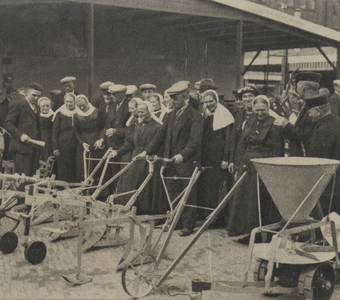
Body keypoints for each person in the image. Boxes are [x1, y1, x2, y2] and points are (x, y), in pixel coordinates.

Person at [142, 81, 203, 237]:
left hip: (186, 161)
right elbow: (160, 136)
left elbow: (194, 141)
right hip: (170, 160)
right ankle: (177, 221)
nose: (173, 101)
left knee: (187, 193)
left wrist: (183, 155)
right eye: (172, 98)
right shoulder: (170, 114)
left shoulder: (195, 115)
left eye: (176, 98)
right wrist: (146, 151)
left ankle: (188, 225)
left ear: (185, 96)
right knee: (173, 192)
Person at [227, 95, 284, 239]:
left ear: (268, 109)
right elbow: (242, 144)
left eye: (263, 110)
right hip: (247, 162)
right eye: (257, 110)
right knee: (244, 196)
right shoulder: (249, 121)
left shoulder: (274, 123)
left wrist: (274, 169)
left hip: (264, 162)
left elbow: (278, 148)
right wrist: (238, 163)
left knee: (258, 198)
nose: (259, 113)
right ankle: (245, 229)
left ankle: (259, 234)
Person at [113, 102, 164, 214]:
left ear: (149, 112)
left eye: (142, 112)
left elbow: (156, 144)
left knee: (148, 185)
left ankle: (149, 211)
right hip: (136, 158)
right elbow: (131, 143)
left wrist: (146, 153)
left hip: (148, 160)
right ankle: (137, 209)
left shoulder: (157, 127)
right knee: (135, 184)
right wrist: (117, 152)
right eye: (138, 112)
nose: (139, 115)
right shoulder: (139, 126)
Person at [197, 89, 234, 227]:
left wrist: (226, 158)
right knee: (206, 188)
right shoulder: (206, 114)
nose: (208, 104)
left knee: (217, 189)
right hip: (207, 156)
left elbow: (229, 139)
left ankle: (218, 218)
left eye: (211, 101)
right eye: (206, 102)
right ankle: (207, 215)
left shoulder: (225, 114)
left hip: (218, 157)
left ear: (216, 100)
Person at [304, 92, 340, 215]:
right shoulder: (337, 122)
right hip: (337, 184)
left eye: (310, 112)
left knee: (324, 222)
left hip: (327, 188)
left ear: (318, 110)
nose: (309, 116)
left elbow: (316, 162)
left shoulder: (322, 130)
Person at [274, 71, 322, 156]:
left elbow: (306, 135)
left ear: (303, 89)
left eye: (297, 87)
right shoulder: (310, 103)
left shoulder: (313, 106)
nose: (295, 90)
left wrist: (286, 125)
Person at [96, 84, 130, 191]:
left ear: (122, 94)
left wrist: (116, 131)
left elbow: (131, 130)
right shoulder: (112, 106)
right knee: (109, 173)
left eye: (114, 94)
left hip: (122, 146)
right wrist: (101, 138)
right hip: (110, 144)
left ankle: (117, 198)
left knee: (118, 174)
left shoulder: (129, 106)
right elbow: (106, 126)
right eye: (111, 94)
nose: (112, 96)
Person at [4, 83, 42, 176]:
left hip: (33, 150)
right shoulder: (18, 104)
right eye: (34, 95)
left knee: (31, 180)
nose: (36, 98)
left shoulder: (37, 107)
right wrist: (21, 135)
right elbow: (8, 123)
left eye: (38, 96)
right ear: (27, 93)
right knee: (21, 179)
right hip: (21, 149)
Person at [74, 94, 105, 182]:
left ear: (87, 102)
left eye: (83, 105)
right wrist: (82, 143)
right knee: (82, 166)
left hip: (96, 141)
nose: (82, 108)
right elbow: (76, 132)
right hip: (83, 143)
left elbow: (103, 127)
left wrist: (101, 139)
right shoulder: (76, 115)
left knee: (96, 166)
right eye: (79, 106)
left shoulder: (97, 111)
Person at [228, 85, 259, 175]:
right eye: (244, 96)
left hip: (254, 157)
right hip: (240, 157)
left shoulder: (260, 114)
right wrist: (232, 161)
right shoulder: (239, 115)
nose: (247, 99)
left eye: (250, 96)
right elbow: (234, 139)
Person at [52, 93, 80, 182]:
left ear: (74, 102)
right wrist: (55, 147)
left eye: (70, 102)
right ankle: (63, 187)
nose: (68, 104)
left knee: (75, 166)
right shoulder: (60, 113)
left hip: (76, 142)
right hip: (63, 142)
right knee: (64, 166)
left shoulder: (79, 112)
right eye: (67, 102)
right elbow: (54, 131)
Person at [0, 87, 16, 160]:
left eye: (14, 94)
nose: (14, 95)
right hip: (6, 131)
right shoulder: (3, 105)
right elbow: (3, 120)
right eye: (12, 94)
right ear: (8, 94)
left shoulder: (14, 103)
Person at [38, 97, 54, 162]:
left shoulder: (53, 115)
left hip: (50, 140)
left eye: (47, 106)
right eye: (43, 106)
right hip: (40, 138)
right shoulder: (37, 116)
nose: (45, 108)